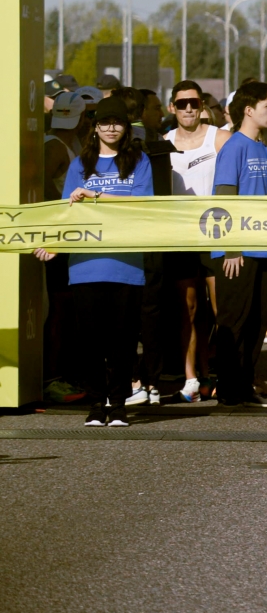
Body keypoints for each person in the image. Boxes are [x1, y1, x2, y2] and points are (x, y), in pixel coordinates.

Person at [35, 97, 154, 427]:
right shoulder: (80, 163)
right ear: (95, 127)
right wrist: (55, 243)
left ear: (126, 127)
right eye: (105, 122)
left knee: (123, 340)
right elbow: (67, 211)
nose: (111, 128)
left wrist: (96, 196)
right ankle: (96, 403)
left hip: (126, 265)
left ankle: (119, 404)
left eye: (117, 122)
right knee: (90, 341)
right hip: (85, 266)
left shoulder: (139, 160)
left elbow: (143, 205)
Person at [211, 81, 267, 407]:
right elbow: (224, 197)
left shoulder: (262, 148)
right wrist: (232, 247)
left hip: (262, 247)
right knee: (233, 321)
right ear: (249, 110)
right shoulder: (234, 146)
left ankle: (244, 384)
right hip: (236, 250)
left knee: (258, 321)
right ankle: (227, 390)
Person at [161, 79, 221, 403]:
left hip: (216, 231)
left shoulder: (220, 138)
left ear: (201, 106)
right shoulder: (163, 143)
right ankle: (191, 379)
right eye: (181, 103)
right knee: (188, 308)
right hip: (180, 234)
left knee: (221, 308)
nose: (188, 109)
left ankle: (224, 373)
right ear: (172, 107)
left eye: (193, 103)